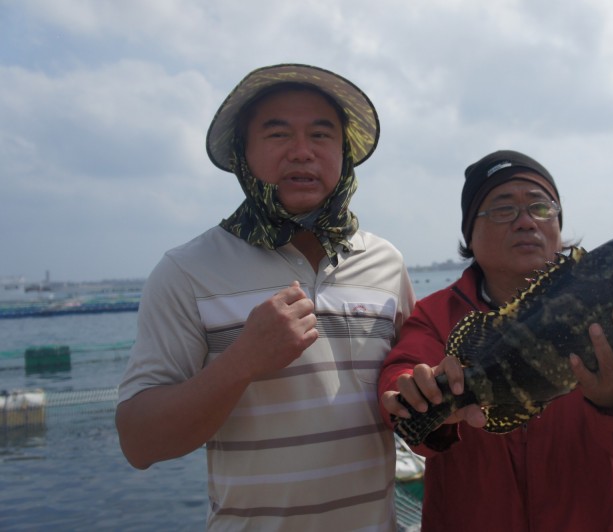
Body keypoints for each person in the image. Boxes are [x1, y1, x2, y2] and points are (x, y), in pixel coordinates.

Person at [116, 64, 415, 531]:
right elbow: (139, 443)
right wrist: (243, 361)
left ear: (344, 153)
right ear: (243, 153)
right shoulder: (186, 271)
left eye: (322, 135)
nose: (302, 152)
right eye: (278, 135)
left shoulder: (387, 264)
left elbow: (410, 396)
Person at [379, 150, 613, 531]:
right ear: (471, 232)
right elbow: (400, 381)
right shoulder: (437, 315)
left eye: (540, 207)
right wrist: (416, 395)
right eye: (503, 210)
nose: (526, 222)